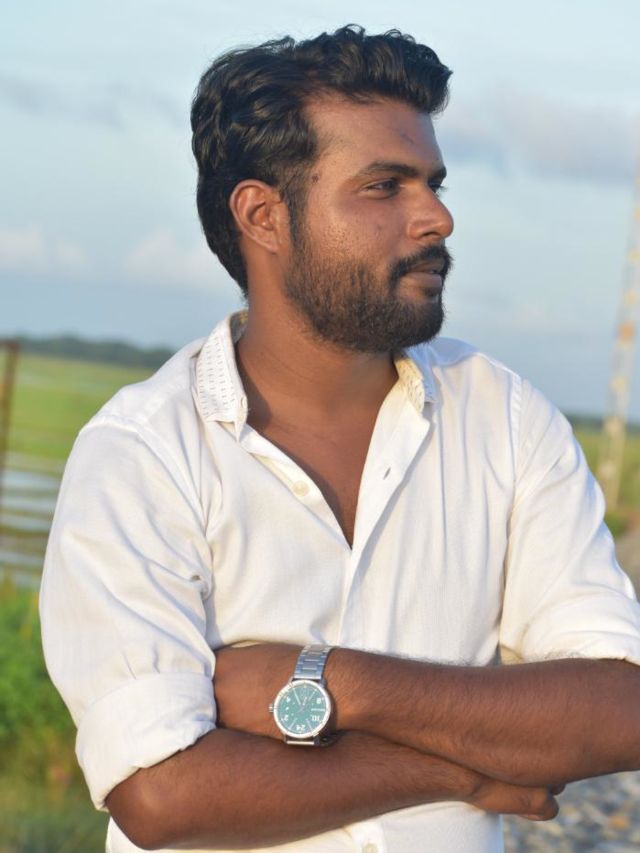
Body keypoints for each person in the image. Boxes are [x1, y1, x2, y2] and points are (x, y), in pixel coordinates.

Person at [40, 25, 640, 853]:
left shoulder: (505, 417)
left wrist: (332, 681)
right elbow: (161, 791)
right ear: (264, 215)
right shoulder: (142, 454)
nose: (437, 217)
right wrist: (463, 770)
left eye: (433, 183)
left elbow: (620, 706)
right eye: (384, 187)